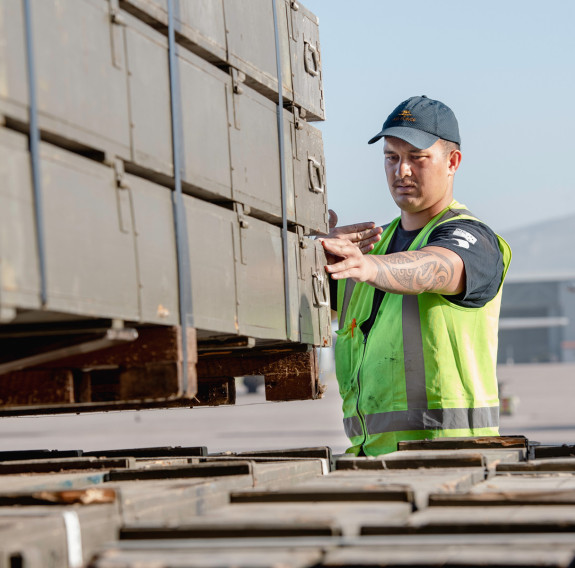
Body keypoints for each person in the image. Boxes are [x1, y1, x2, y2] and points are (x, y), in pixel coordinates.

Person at [320, 95, 511, 456]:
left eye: (416, 158)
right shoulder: (372, 250)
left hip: (452, 459)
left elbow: (438, 267)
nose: (401, 171)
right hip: (370, 459)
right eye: (391, 158)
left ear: (452, 162)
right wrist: (310, 254)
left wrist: (369, 266)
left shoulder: (473, 239)